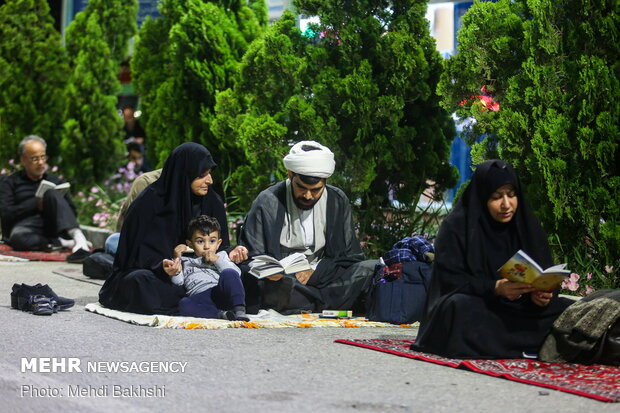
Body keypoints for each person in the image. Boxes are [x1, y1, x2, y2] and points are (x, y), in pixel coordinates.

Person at [412, 160, 573, 359]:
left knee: (567, 309)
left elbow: (544, 271)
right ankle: (532, 346)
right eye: (497, 197)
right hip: (482, 305)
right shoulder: (457, 227)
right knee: (458, 308)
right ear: (482, 198)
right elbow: (450, 280)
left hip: (522, 309)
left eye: (511, 195)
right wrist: (494, 288)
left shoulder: (526, 225)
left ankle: (509, 346)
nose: (506, 204)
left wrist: (544, 294)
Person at [98, 142, 248, 315]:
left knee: (247, 274)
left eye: (210, 174)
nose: (210, 181)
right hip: (163, 277)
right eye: (202, 175)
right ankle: (208, 305)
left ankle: (202, 305)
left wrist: (232, 252)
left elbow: (219, 248)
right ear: (184, 175)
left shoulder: (212, 202)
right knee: (138, 281)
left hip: (206, 275)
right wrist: (164, 264)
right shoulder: (150, 203)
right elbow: (134, 256)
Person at [240, 140, 376, 314]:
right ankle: (321, 303)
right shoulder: (268, 201)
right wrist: (273, 272)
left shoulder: (337, 200)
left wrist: (315, 271)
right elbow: (253, 255)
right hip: (284, 280)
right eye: (301, 188)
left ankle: (309, 304)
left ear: (325, 181)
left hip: (323, 275)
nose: (308, 195)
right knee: (269, 286)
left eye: (316, 190)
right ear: (290, 175)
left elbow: (349, 256)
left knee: (370, 269)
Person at [0, 135, 91, 262]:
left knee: (52, 193)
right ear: (23, 160)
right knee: (18, 238)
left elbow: (72, 211)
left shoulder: (55, 181)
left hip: (53, 226)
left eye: (43, 157)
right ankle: (61, 243)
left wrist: (53, 201)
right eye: (35, 159)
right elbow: (6, 213)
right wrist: (35, 205)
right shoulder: (10, 182)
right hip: (26, 227)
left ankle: (79, 239)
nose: (41, 162)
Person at [163, 215, 249, 321]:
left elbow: (235, 274)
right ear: (190, 244)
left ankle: (240, 310)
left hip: (221, 292)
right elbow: (178, 282)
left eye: (212, 241)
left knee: (229, 273)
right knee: (184, 304)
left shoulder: (221, 256)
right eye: (200, 241)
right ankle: (221, 314)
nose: (207, 246)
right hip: (202, 298)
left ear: (218, 243)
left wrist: (216, 260)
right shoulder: (185, 261)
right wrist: (176, 259)